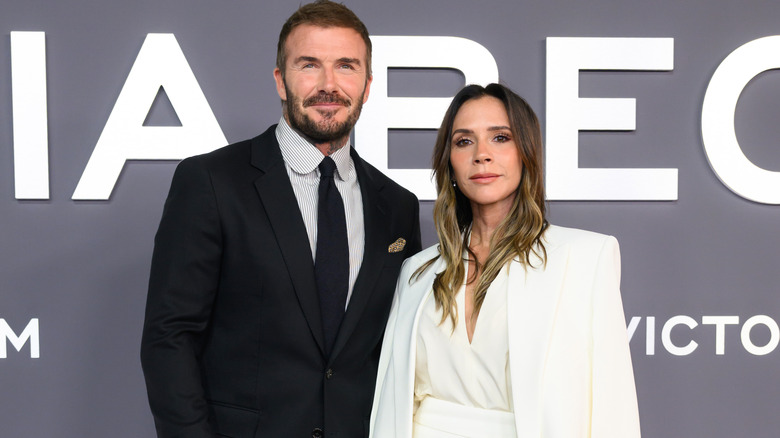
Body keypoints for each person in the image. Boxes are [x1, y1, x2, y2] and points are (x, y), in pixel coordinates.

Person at [140, 1, 421, 437]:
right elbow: (169, 339)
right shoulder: (212, 183)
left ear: (367, 85)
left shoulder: (397, 205)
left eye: (346, 67)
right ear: (281, 80)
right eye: (309, 65)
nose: (329, 85)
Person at [369, 84, 640, 438]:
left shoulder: (586, 258)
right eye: (464, 141)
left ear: (526, 153)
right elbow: (391, 406)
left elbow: (612, 410)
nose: (482, 154)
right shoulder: (416, 273)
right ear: (448, 163)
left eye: (500, 137)